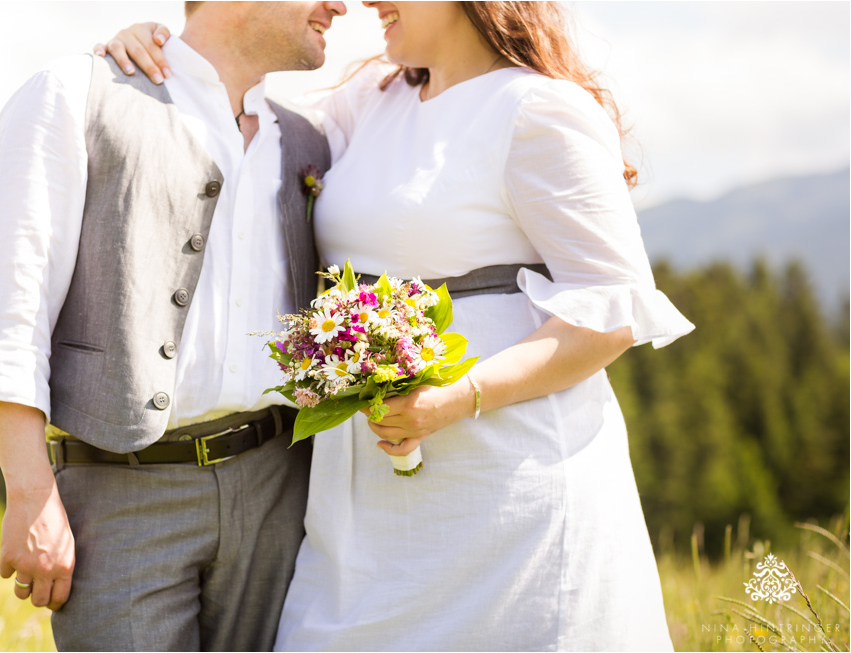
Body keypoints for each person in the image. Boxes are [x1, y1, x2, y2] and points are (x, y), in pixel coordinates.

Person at [105, 1, 695, 649]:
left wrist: (457, 397)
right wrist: (165, 55)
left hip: (506, 485)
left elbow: (610, 309)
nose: (366, 2)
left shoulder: (538, 110)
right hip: (363, 497)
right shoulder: (370, 101)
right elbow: (243, 115)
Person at [0, 2, 347, 650]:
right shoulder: (74, 93)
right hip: (123, 493)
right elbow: (9, 308)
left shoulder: (312, 139)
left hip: (280, 488)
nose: (339, 4)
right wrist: (29, 490)